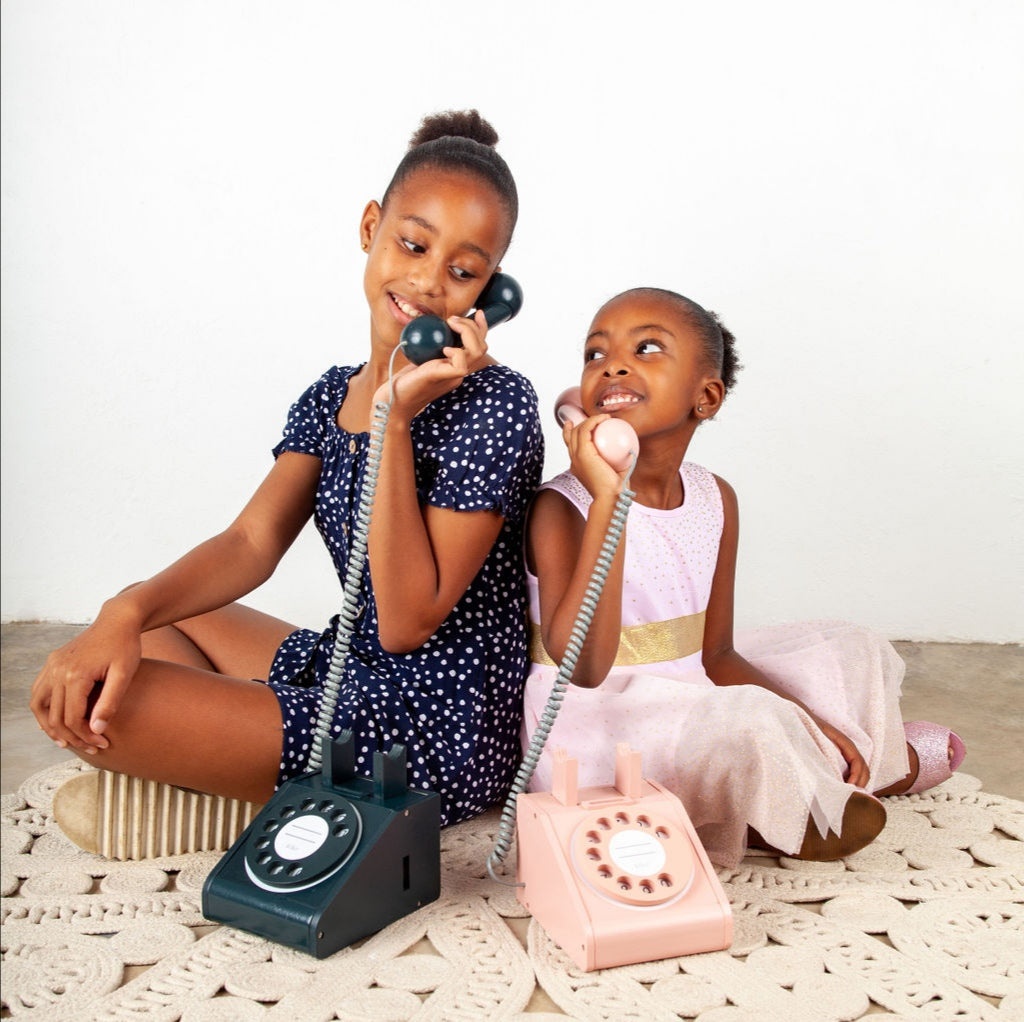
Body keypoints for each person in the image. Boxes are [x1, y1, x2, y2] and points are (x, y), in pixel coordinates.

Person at [30, 110, 545, 832]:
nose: (430, 282)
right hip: (350, 665)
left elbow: (402, 625)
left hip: (438, 728)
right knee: (141, 620)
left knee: (101, 704)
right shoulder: (330, 395)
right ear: (370, 228)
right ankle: (230, 761)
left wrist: (395, 418)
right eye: (412, 244)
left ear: (492, 291)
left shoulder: (497, 403)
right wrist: (122, 615)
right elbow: (249, 543)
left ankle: (231, 778)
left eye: (463, 271)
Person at [521, 287, 965, 866]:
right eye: (594, 354)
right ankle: (821, 797)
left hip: (691, 686)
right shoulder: (563, 508)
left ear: (705, 398)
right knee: (746, 722)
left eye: (647, 347)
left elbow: (718, 653)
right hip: (602, 722)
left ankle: (828, 775)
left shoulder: (715, 498)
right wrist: (610, 498)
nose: (613, 366)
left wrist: (809, 721)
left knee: (855, 650)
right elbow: (584, 666)